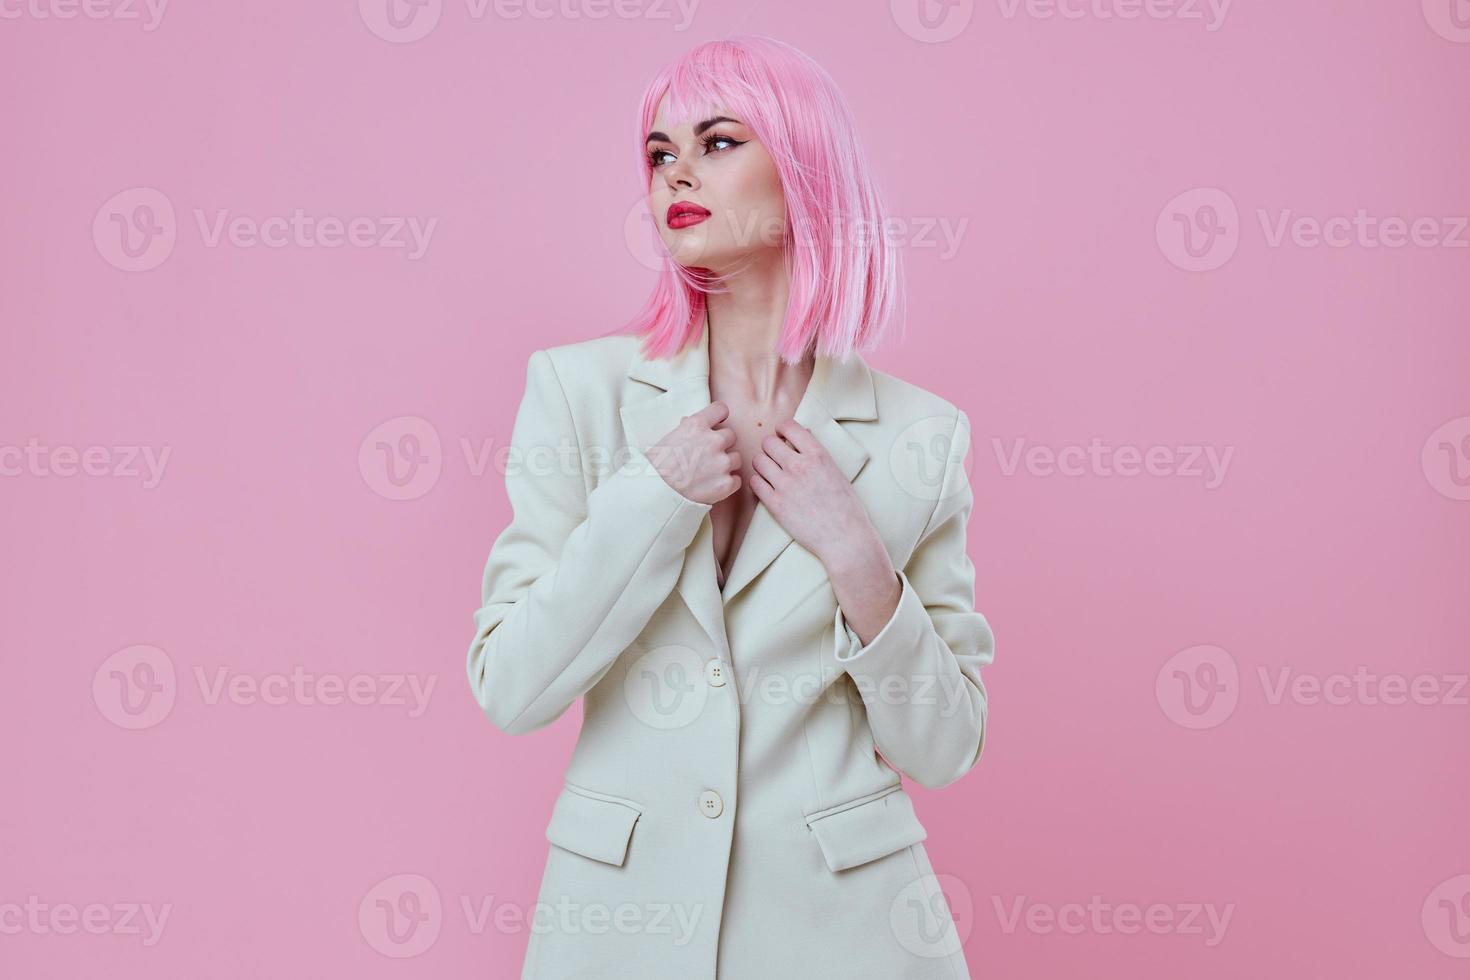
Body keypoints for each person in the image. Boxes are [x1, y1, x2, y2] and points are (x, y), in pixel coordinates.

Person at [467, 34, 995, 980]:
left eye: (717, 142)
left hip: (850, 937)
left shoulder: (924, 436)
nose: (677, 173)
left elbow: (946, 744)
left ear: (805, 168)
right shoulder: (577, 392)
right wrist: (652, 499)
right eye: (659, 152)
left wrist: (859, 559)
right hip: (616, 927)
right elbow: (511, 687)